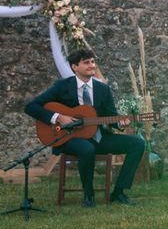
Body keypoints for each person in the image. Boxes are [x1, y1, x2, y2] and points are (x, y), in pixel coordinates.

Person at [25, 48, 144, 207]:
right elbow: (31, 107)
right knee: (86, 149)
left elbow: (111, 115)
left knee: (137, 143)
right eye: (86, 62)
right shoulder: (62, 86)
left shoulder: (103, 89)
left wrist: (120, 124)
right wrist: (58, 117)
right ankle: (89, 195)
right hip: (70, 139)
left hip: (98, 137)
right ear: (75, 67)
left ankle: (119, 191)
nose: (92, 65)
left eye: (93, 62)